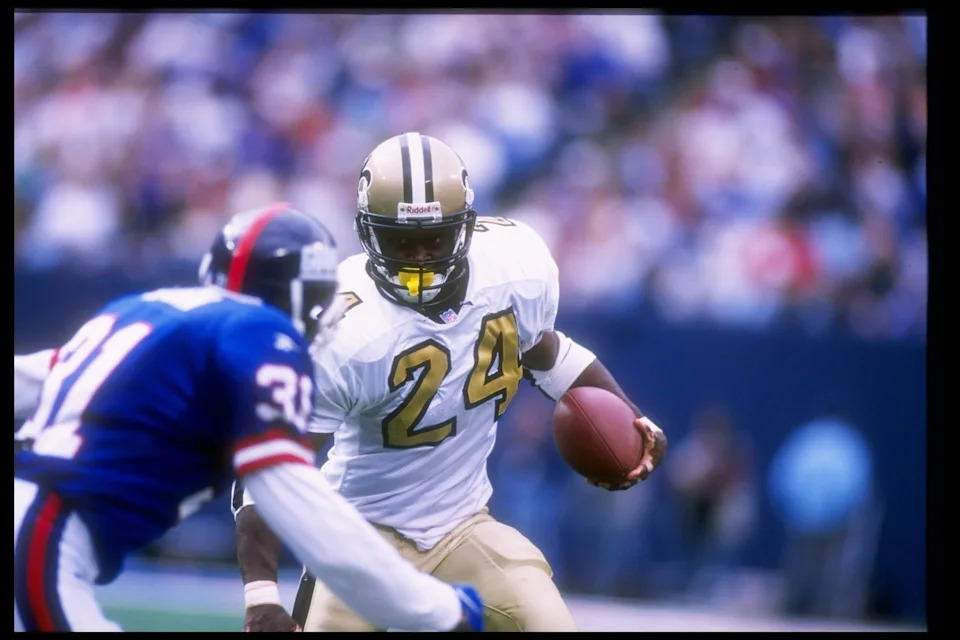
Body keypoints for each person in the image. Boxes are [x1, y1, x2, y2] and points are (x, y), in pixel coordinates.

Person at [232, 133, 669, 632]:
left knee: (549, 623)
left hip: (462, 526)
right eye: (401, 240)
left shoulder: (512, 269)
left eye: (434, 238)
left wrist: (632, 420)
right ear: (368, 234)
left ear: (466, 228)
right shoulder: (339, 327)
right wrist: (261, 598)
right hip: (356, 537)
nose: (419, 257)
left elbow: (549, 353)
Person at [13, 203, 484, 632]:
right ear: (296, 297)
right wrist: (435, 611)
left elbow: (29, 379)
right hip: (44, 541)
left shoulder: (150, 312)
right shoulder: (259, 331)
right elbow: (300, 505)